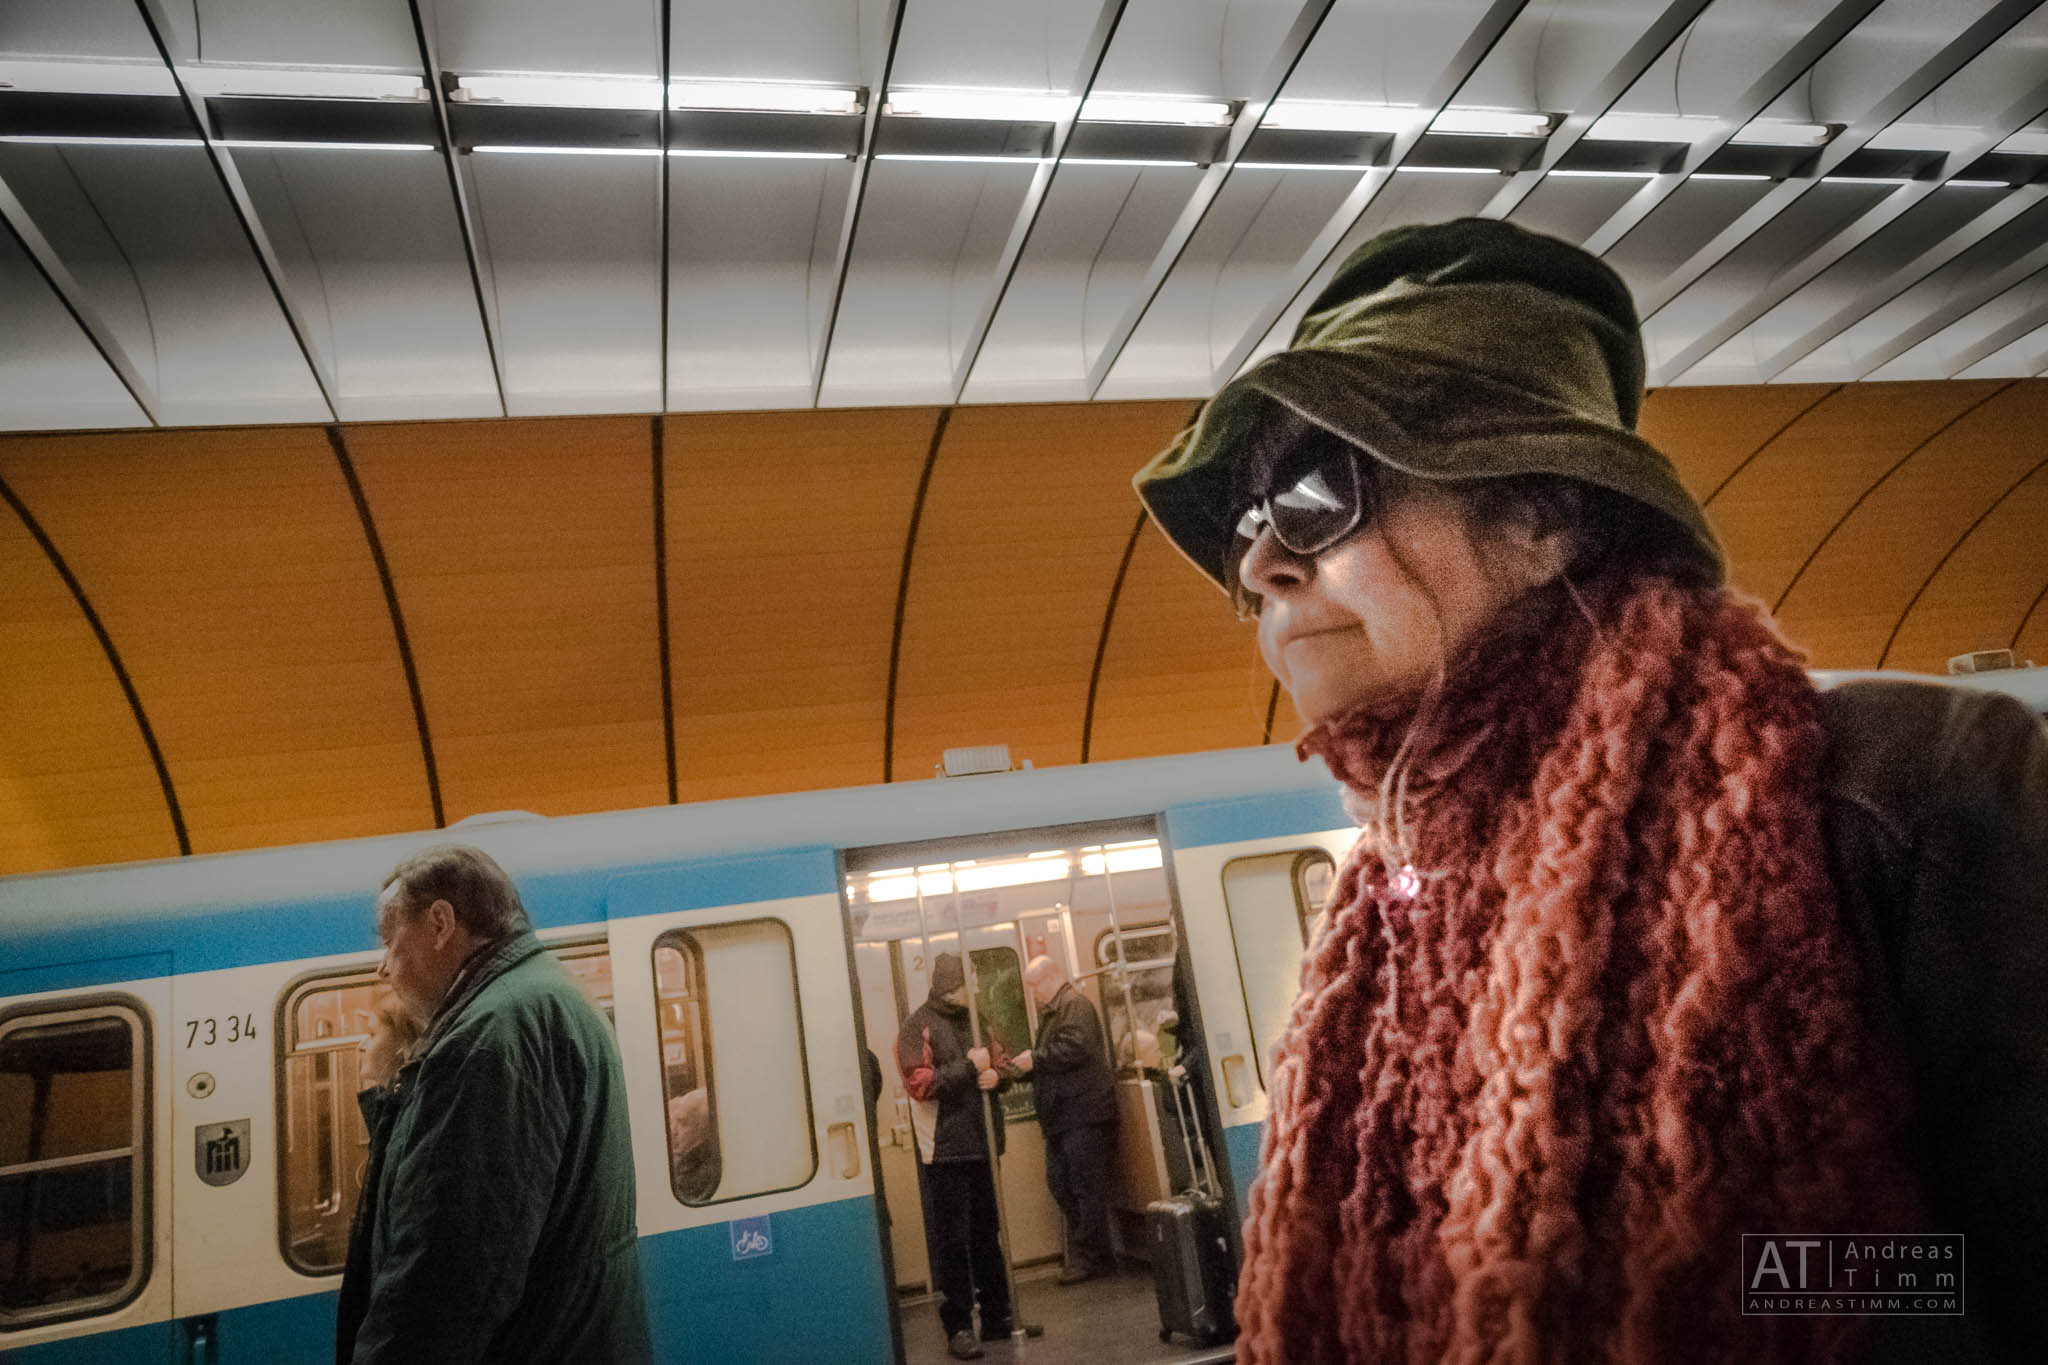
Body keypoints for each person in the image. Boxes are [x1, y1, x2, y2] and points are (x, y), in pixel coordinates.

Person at [1132, 217, 2048, 1364]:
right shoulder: (1392, 897)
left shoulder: (1898, 788)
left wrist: (1741, 1272)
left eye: (1317, 495)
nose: (1265, 562)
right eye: (1249, 531)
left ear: (1544, 514)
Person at [336, 844, 652, 1365]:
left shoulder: (488, 1038)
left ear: (440, 923)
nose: (381, 967)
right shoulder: (548, 997)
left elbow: (447, 1279)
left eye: (390, 939)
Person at [896, 952, 1040, 1360]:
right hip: (945, 1151)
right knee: (953, 1241)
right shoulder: (917, 1026)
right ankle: (957, 1325)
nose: (977, 985)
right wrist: (967, 1066)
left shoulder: (979, 1019)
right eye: (971, 978)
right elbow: (919, 1083)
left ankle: (997, 1316)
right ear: (953, 983)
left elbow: (1001, 1063)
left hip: (983, 1142)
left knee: (987, 1236)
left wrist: (998, 1077)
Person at [1015, 956, 1120, 1284]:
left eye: (1034, 986)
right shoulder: (1056, 1012)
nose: (1033, 994)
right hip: (1066, 1115)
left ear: (1050, 977)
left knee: (1083, 1187)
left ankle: (1092, 1258)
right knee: (1062, 1183)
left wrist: (1036, 1059)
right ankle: (1093, 1253)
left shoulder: (1074, 1006)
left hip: (1083, 1112)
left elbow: (1076, 1048)